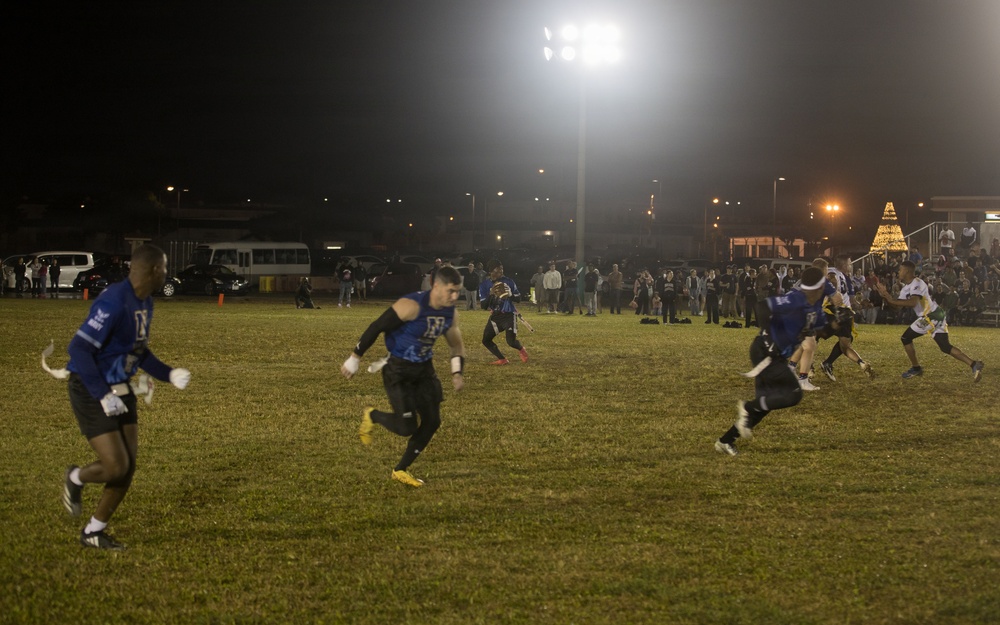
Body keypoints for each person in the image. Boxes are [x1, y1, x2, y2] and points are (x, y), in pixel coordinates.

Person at [61, 244, 191, 550]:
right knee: (116, 465)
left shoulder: (145, 301)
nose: (167, 273)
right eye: (165, 267)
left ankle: (93, 531)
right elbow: (79, 349)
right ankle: (76, 477)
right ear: (154, 270)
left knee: (127, 465)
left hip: (121, 386)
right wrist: (103, 395)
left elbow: (136, 350)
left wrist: (168, 373)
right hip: (91, 387)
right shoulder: (115, 301)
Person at [341, 265, 466, 488]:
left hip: (424, 370)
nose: (455, 296)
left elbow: (456, 346)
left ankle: (400, 470)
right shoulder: (412, 305)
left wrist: (457, 372)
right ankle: (373, 415)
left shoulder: (450, 312)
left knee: (432, 421)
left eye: (458, 291)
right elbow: (377, 326)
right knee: (407, 426)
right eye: (451, 291)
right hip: (398, 370)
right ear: (436, 286)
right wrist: (355, 357)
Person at [714, 267, 831, 456]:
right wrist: (769, 337)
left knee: (765, 404)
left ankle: (725, 441)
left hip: (773, 355)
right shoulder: (795, 299)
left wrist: (837, 322)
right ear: (817, 287)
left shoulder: (814, 306)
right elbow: (763, 306)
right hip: (764, 351)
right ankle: (748, 407)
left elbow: (821, 329)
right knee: (793, 394)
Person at [875, 261, 984, 381]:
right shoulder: (905, 288)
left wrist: (890, 298)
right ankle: (974, 364)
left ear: (907, 271)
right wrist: (885, 296)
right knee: (945, 346)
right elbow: (897, 308)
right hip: (935, 315)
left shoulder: (918, 283)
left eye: (900, 270)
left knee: (905, 338)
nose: (898, 272)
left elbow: (913, 302)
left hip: (931, 315)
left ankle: (916, 368)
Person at [817, 255, 875, 382]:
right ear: (844, 265)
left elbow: (852, 302)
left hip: (843, 314)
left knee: (844, 343)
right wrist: (833, 293)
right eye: (850, 264)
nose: (851, 266)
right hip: (834, 312)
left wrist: (863, 305)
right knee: (814, 335)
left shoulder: (847, 278)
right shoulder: (833, 272)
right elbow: (831, 279)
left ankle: (827, 364)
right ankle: (805, 369)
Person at [478, 262, 527, 365]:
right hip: (495, 316)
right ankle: (502, 359)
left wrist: (511, 295)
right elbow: (483, 306)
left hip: (509, 315)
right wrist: (491, 294)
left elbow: (518, 298)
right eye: (497, 270)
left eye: (501, 269)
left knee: (511, 342)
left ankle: (521, 349)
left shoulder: (509, 281)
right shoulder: (484, 285)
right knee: (486, 340)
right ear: (491, 272)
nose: (500, 272)